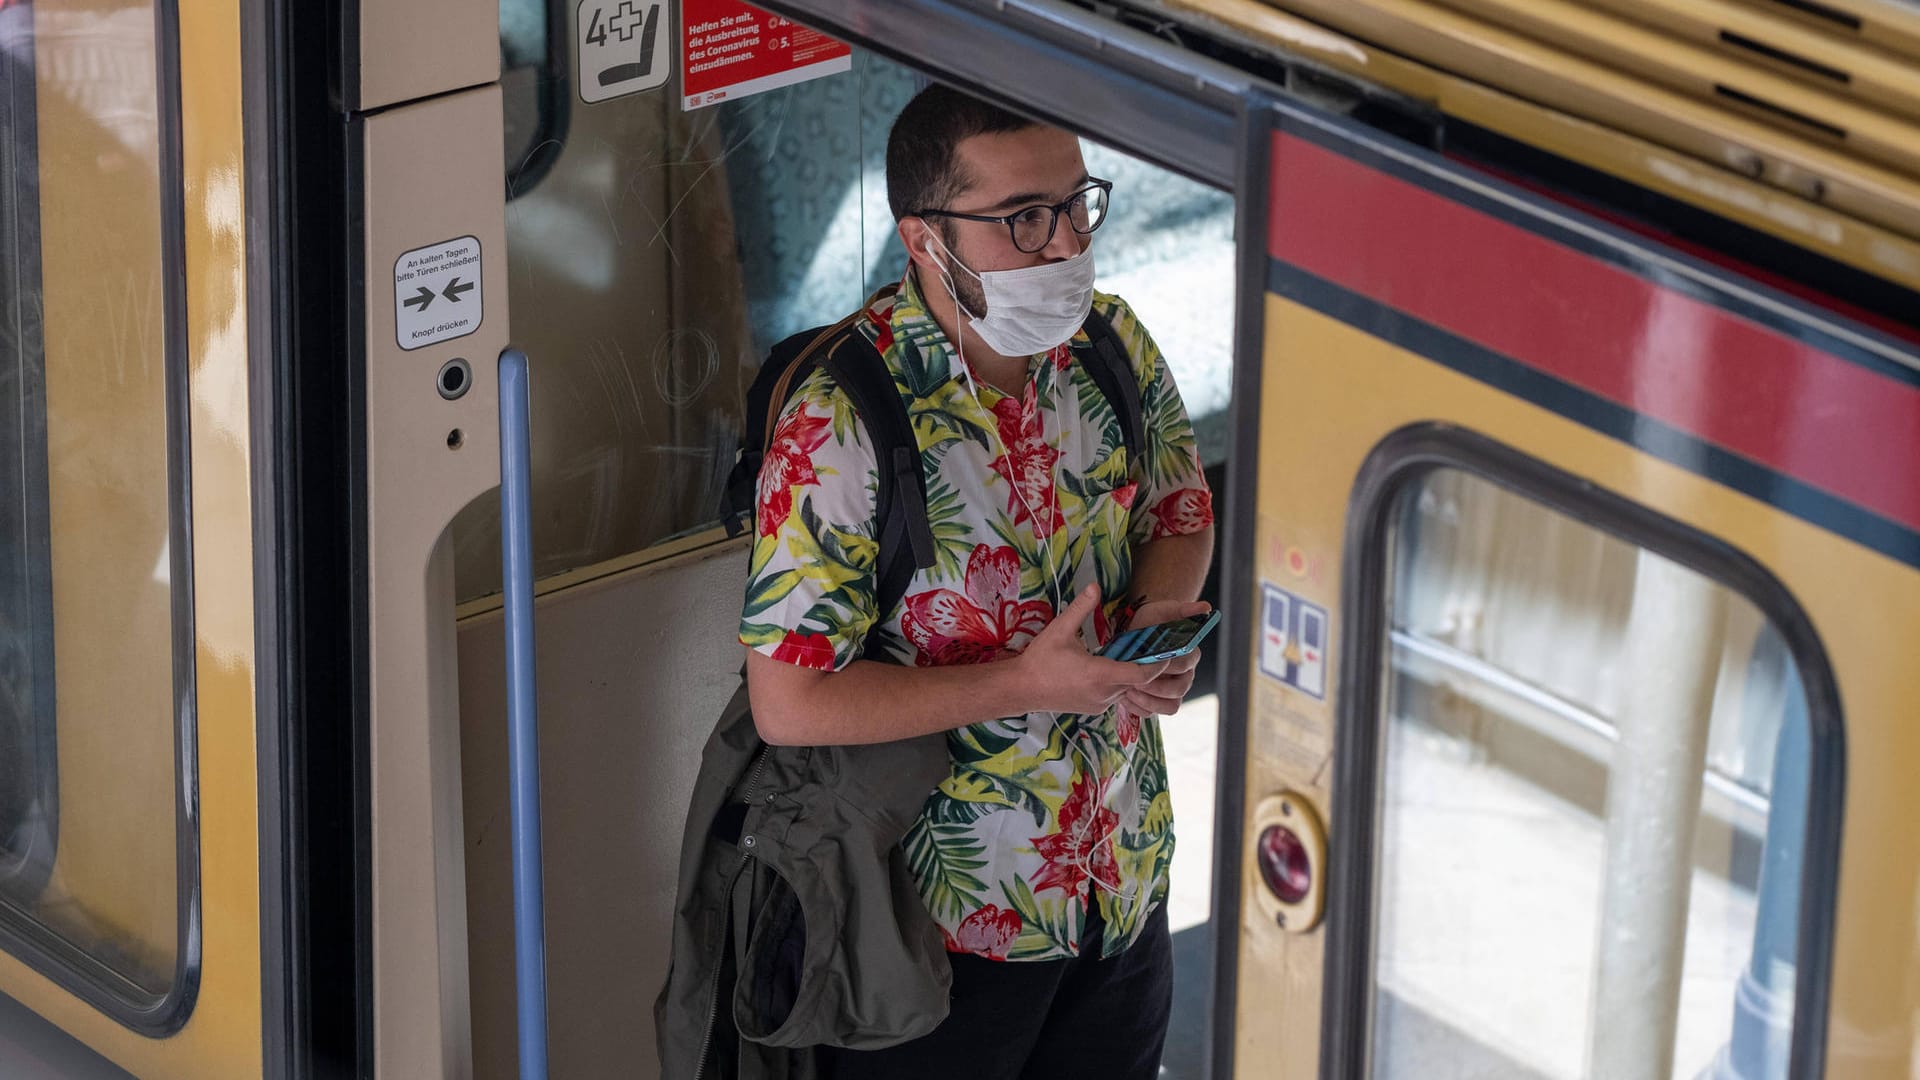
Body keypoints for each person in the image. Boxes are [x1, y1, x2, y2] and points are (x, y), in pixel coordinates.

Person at [738, 83, 1216, 1079]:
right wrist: (1023, 684)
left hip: (1119, 884)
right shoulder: (842, 421)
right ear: (924, 241)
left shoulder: (1112, 346)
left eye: (1076, 205)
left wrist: (1155, 625)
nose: (1064, 246)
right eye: (1022, 219)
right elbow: (789, 699)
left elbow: (1179, 508)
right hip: (939, 928)